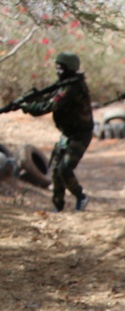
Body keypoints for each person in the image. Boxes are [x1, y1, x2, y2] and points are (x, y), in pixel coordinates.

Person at [20, 52, 93, 212]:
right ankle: (57, 205)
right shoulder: (65, 83)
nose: (58, 71)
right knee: (56, 171)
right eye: (57, 67)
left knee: (65, 168)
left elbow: (48, 106)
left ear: (70, 68)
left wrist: (27, 107)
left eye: (61, 68)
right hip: (68, 133)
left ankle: (81, 196)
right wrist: (31, 100)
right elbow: (48, 98)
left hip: (80, 134)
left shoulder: (72, 87)